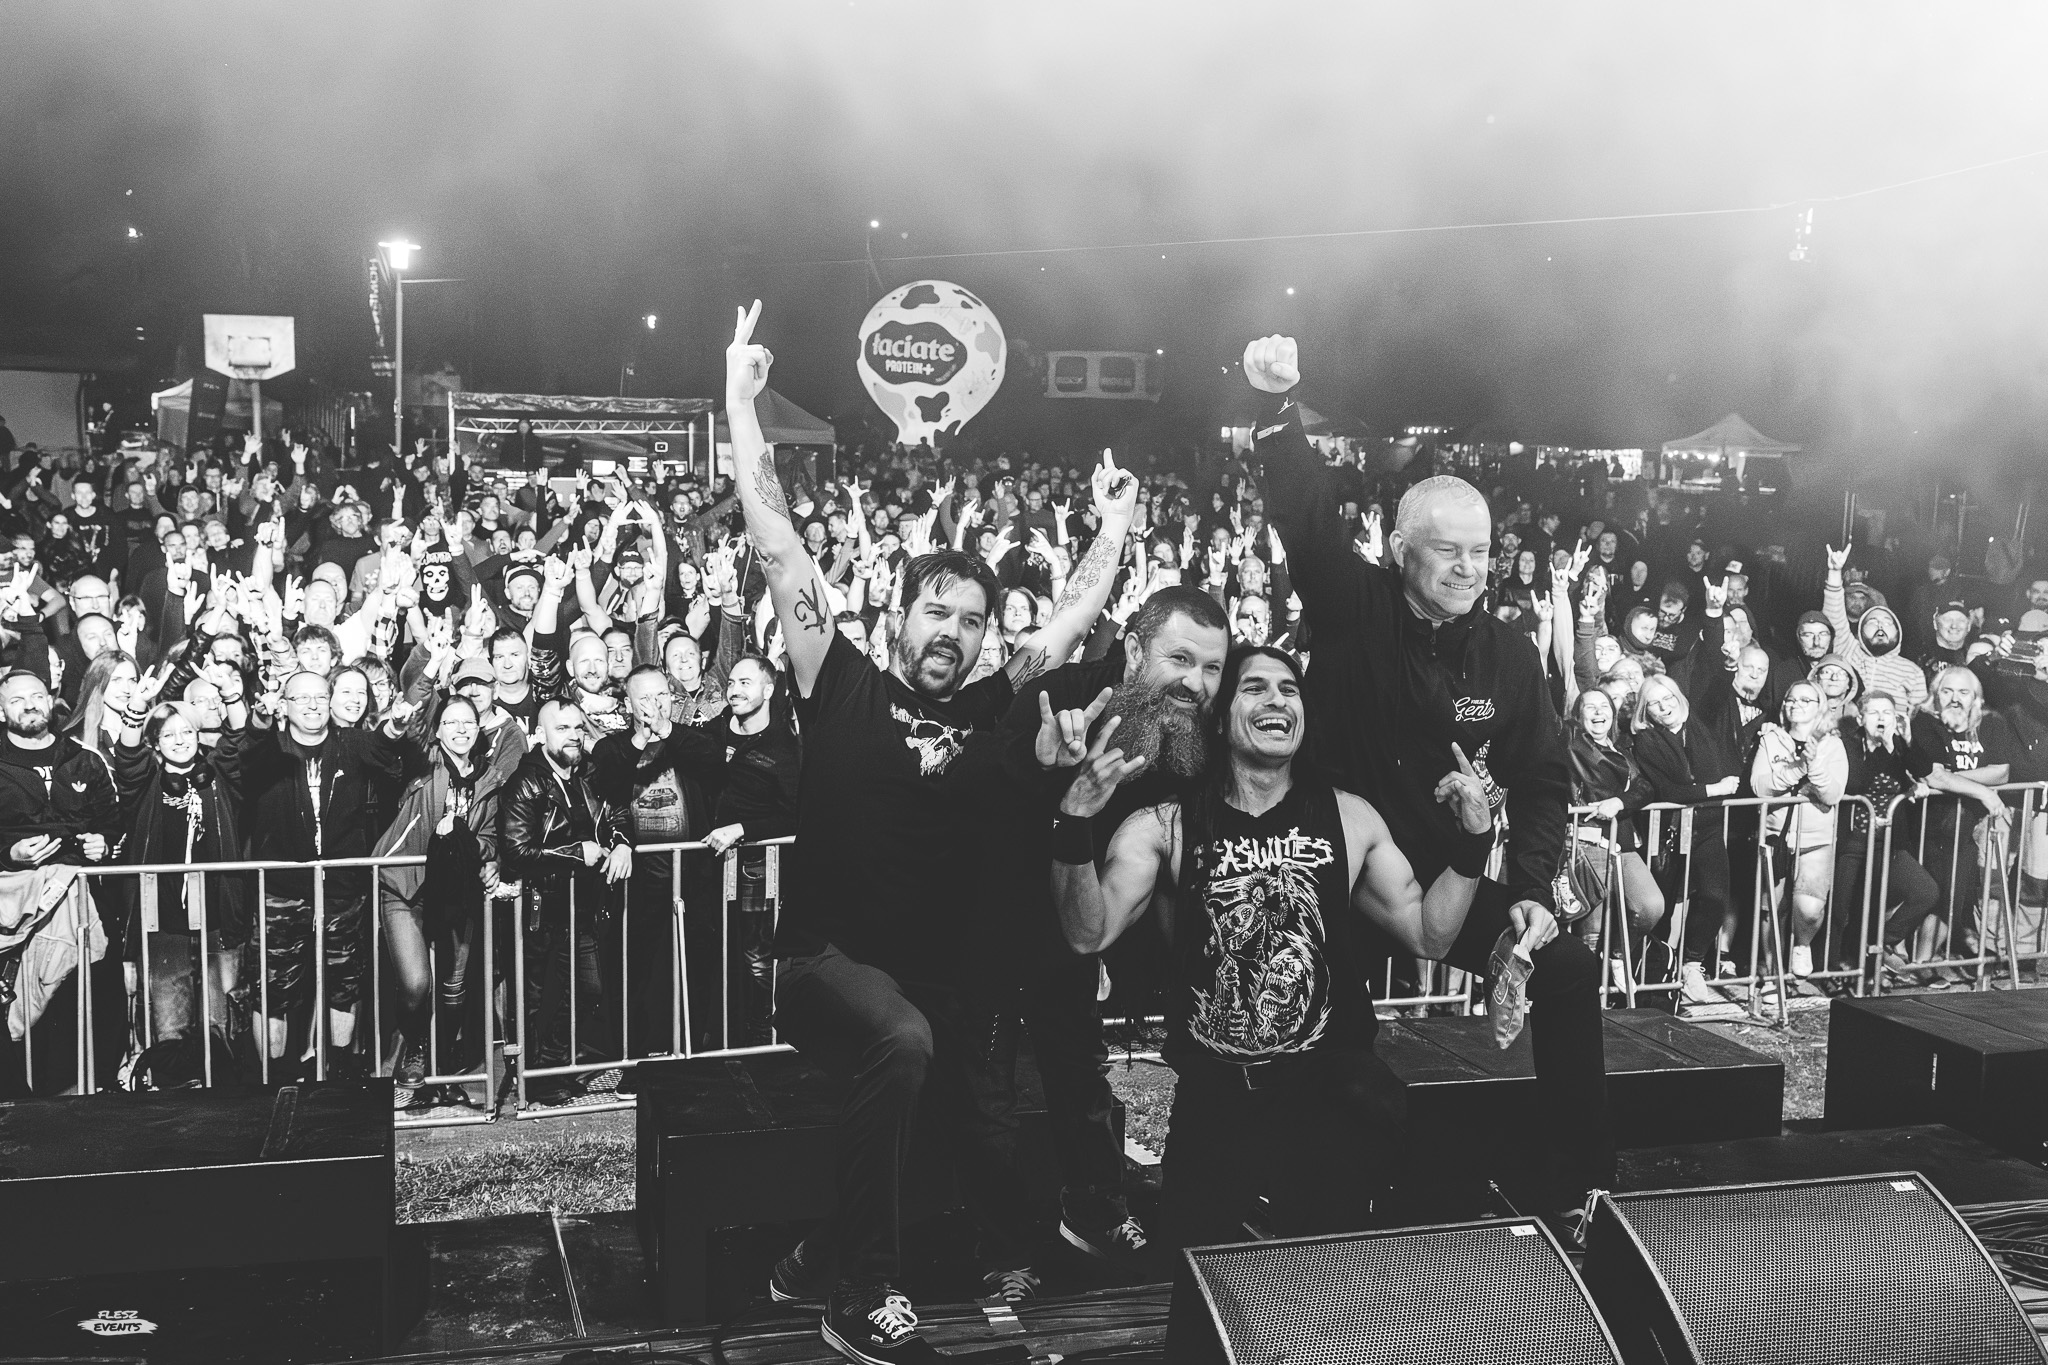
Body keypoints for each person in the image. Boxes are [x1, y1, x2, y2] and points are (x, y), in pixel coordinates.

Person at [726, 301, 1133, 1361]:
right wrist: (741, 400)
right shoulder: (838, 678)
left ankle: (814, 1258)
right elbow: (777, 544)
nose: (951, 632)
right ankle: (860, 1293)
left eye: (970, 620)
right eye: (934, 612)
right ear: (895, 615)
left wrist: (1114, 526)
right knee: (902, 1042)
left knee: (953, 1116)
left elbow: (1074, 617)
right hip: (823, 964)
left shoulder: (997, 701)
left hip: (932, 981)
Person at [1050, 647, 1501, 1362]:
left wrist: (1475, 842)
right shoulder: (1167, 824)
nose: (1277, 700)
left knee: (1327, 1314)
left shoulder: (1350, 817)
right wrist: (1074, 821)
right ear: (1222, 714)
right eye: (1254, 687)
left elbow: (1429, 933)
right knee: (1202, 1320)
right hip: (1215, 1101)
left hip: (1324, 1097)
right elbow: (1087, 932)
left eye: (1289, 689)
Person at [1245, 332, 1602, 1221]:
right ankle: (1290, 1195)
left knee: (1565, 967)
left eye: (1481, 552)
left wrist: (1532, 888)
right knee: (1339, 1052)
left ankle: (1575, 1187)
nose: (1468, 569)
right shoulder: (1354, 607)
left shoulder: (1509, 654)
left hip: (1447, 881)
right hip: (1339, 881)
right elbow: (1305, 519)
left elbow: (1545, 778)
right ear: (1401, 549)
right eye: (1447, 551)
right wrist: (1279, 408)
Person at [974, 585, 1233, 1277]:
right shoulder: (1064, 696)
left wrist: (1112, 940)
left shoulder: (1194, 730)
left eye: (1211, 667)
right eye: (1180, 658)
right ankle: (998, 1251)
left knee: (1078, 1073)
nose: (1196, 683)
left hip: (1079, 922)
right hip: (995, 913)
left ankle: (1096, 1211)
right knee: (987, 1093)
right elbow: (988, 801)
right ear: (1135, 649)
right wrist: (1046, 772)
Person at [216, 667, 411, 1078]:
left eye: (320, 697)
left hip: (341, 889)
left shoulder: (350, 743)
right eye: (301, 697)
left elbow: (385, 743)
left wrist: (396, 722)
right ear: (285, 705)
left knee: (344, 986)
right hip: (281, 892)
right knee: (273, 993)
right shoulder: (272, 748)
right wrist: (259, 718)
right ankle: (273, 1082)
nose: (312, 705)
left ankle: (339, 1077)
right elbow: (242, 757)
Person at [373, 692, 524, 1105]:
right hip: (405, 887)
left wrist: (479, 851)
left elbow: (491, 837)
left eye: (468, 722)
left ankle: (438, 1071)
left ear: (478, 731)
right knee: (417, 984)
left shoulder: (490, 779)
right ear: (438, 730)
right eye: (451, 722)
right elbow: (409, 726)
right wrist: (426, 676)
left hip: (457, 893)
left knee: (454, 991)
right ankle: (413, 1048)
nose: (460, 729)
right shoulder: (424, 763)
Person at [497, 698, 633, 1103]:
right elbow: (516, 851)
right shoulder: (526, 782)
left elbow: (617, 812)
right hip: (542, 908)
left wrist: (622, 844)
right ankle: (538, 1077)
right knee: (539, 997)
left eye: (578, 727)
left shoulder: (588, 772)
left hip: (583, 906)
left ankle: (557, 1064)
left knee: (588, 989)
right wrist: (577, 853)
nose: (573, 736)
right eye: (562, 728)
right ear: (541, 735)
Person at [0, 668, 122, 1095]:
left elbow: (113, 821)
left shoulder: (84, 758)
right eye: (17, 699)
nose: (29, 705)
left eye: (37, 695)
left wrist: (104, 844)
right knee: (21, 1004)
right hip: (16, 906)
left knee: (80, 1000)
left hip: (82, 900)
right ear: (1, 709)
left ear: (51, 700)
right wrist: (10, 854)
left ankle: (81, 1096)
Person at [701, 653, 801, 1046]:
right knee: (718, 950)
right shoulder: (714, 732)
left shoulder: (783, 747)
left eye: (745, 682)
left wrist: (743, 829)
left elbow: (796, 816)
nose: (735, 690)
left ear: (769, 690)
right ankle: (725, 1038)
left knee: (757, 957)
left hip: (759, 870)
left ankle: (763, 1037)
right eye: (731, 683)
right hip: (710, 868)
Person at [1631, 674, 1742, 1004]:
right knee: (1662, 910)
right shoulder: (1647, 741)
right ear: (1645, 711)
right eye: (1655, 703)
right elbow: (1667, 791)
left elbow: (1716, 685)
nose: (1664, 707)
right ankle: (1654, 982)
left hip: (1706, 826)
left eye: (1668, 698)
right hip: (1666, 832)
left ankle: (1692, 964)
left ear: (1679, 698)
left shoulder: (1699, 726)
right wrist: (1712, 790)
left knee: (1715, 897)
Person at [1750, 680, 1848, 982]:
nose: (1797, 705)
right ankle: (1771, 976)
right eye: (1791, 700)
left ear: (1820, 707)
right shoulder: (1771, 739)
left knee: (1809, 909)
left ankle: (1802, 945)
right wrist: (1798, 768)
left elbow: (1832, 794)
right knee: (1771, 910)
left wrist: (1813, 765)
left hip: (1815, 840)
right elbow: (1760, 786)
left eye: (1806, 700)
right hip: (1775, 836)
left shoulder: (1833, 744)